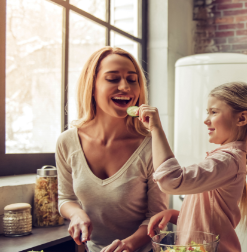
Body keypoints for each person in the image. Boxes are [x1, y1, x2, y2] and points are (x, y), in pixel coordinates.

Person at [56, 47, 168, 252]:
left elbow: (157, 217)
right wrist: (77, 214)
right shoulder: (66, 142)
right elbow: (66, 199)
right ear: (92, 86)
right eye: (113, 79)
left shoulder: (152, 144)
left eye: (132, 79)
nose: (125, 87)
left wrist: (128, 245)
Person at [139, 82, 247, 252]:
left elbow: (171, 180)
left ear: (241, 118)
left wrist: (156, 128)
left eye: (214, 112)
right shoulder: (226, 160)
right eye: (207, 112)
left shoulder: (227, 160)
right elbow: (209, 217)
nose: (206, 120)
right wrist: (176, 215)